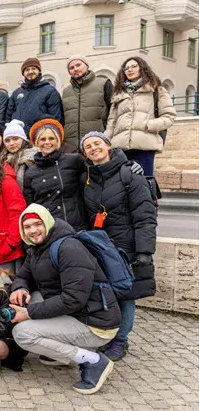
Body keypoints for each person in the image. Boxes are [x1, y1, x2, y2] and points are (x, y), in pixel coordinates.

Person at [10, 204, 121, 395]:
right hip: (77, 314)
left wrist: (29, 313)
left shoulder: (69, 248)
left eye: (37, 224)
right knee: (30, 299)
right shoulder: (37, 248)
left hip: (95, 323)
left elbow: (73, 299)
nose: (32, 231)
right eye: (27, 227)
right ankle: (57, 353)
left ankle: (93, 361)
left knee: (22, 333)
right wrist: (20, 288)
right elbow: (23, 275)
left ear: (47, 222)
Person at [80, 132, 157, 361]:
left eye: (97, 143)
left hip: (126, 246)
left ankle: (121, 340)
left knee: (126, 294)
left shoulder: (130, 174)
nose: (94, 148)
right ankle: (107, 336)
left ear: (108, 145)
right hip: (101, 244)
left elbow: (145, 216)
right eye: (88, 146)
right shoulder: (87, 176)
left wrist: (144, 251)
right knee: (106, 292)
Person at [106, 56, 176, 176]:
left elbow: (169, 116)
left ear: (142, 68)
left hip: (144, 147)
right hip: (120, 148)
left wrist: (148, 124)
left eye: (134, 66)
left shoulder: (156, 89)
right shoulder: (118, 94)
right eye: (126, 68)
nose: (129, 69)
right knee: (122, 186)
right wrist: (106, 140)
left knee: (144, 184)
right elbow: (111, 122)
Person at [23, 119, 87, 231]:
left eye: (51, 138)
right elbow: (31, 206)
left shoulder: (74, 160)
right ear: (37, 142)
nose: (47, 142)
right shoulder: (30, 173)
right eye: (42, 139)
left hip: (77, 226)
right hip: (51, 229)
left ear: (58, 141)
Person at [62, 55, 113, 151]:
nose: (75, 69)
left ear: (86, 65)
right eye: (71, 68)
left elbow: (114, 112)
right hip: (71, 147)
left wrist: (107, 135)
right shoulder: (66, 91)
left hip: (96, 144)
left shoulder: (104, 84)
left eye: (78, 65)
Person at [6, 57, 64, 132]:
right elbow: (8, 117)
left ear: (39, 71)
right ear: (23, 73)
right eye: (27, 70)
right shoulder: (16, 93)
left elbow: (56, 118)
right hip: (18, 138)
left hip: (39, 138)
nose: (30, 71)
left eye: (33, 68)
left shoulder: (50, 91)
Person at [1, 120, 36, 189]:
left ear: (23, 139)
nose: (11, 143)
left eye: (15, 139)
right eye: (7, 140)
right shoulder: (3, 159)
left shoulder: (33, 157)